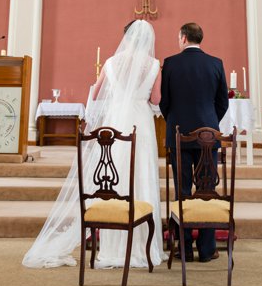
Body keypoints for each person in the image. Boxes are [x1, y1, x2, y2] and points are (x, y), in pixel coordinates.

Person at [23, 19, 165, 269]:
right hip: (140, 124)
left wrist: (108, 104)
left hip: (115, 122)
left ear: (126, 38)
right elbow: (156, 99)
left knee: (116, 176)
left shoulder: (111, 62)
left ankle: (113, 247)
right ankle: (143, 246)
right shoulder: (154, 65)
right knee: (140, 175)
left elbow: (96, 93)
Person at [160, 22, 228, 263]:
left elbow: (164, 102)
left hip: (178, 135)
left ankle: (185, 247)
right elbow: (223, 103)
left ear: (184, 38)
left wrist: (176, 124)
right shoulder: (216, 63)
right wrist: (208, 126)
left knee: (182, 189)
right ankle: (207, 248)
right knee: (206, 190)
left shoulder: (170, 63)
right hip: (209, 137)